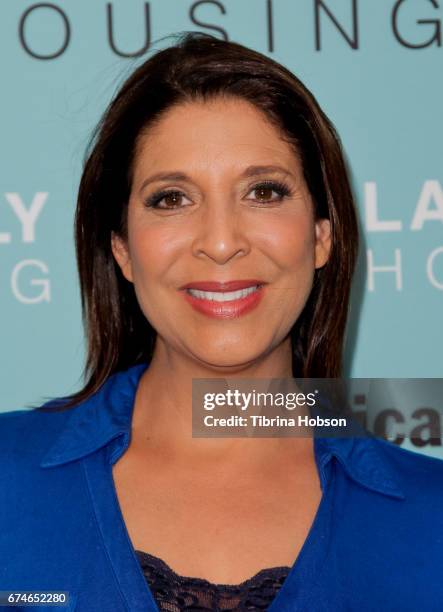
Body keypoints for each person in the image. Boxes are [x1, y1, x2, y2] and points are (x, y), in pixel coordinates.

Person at [1, 32, 442, 612]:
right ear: (123, 249)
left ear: (320, 236)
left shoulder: (431, 517)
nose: (220, 241)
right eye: (171, 199)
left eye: (263, 191)